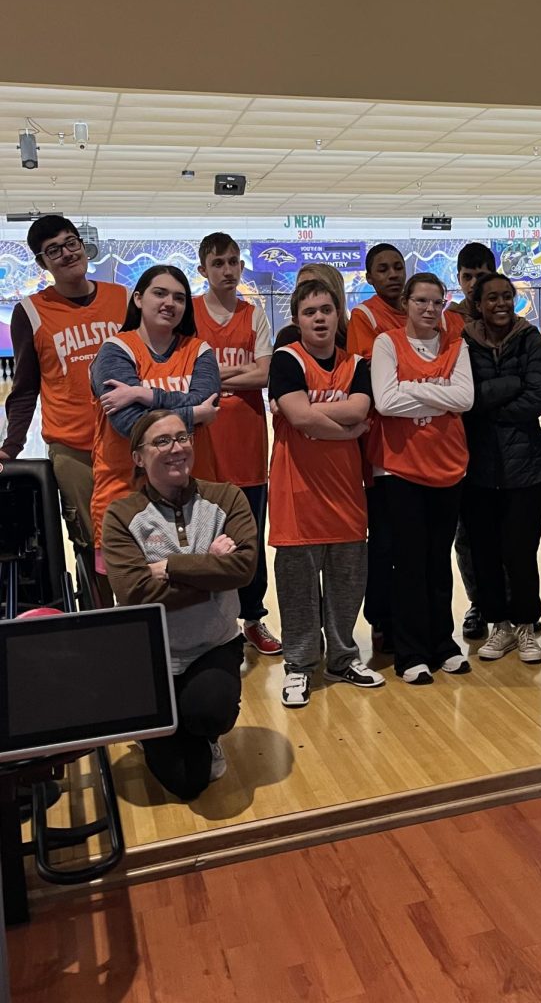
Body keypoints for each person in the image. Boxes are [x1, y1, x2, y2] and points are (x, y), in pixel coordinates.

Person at [102, 411, 257, 801]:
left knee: (208, 712)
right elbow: (134, 591)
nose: (176, 448)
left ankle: (203, 733)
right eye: (162, 441)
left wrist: (169, 567)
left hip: (212, 647)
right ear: (138, 457)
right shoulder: (122, 515)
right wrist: (210, 570)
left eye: (182, 437)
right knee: (187, 783)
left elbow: (243, 568)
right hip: (152, 655)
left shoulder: (226, 497)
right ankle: (158, 728)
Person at [268, 278, 385, 707]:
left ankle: (342, 658)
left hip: (345, 493)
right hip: (296, 493)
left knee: (345, 584)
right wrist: (348, 429)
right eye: (310, 311)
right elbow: (299, 418)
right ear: (297, 320)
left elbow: (352, 408)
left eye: (326, 310)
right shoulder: (286, 359)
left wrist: (315, 415)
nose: (319, 317)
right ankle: (299, 665)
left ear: (339, 316)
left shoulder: (356, 364)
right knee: (297, 588)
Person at [1, 216, 127, 605]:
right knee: (91, 545)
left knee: (144, 535)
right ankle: (104, 622)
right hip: (75, 451)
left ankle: (153, 618)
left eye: (71, 242)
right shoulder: (32, 312)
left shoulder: (122, 298)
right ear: (43, 263)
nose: (67, 253)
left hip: (128, 440)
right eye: (53, 250)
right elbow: (24, 387)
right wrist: (10, 446)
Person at [371, 272, 474, 685]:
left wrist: (411, 387)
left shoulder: (456, 344)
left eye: (436, 303)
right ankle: (410, 651)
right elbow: (385, 401)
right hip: (401, 470)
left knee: (438, 560)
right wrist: (439, 392)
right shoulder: (386, 343)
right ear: (406, 304)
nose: (429, 310)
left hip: (448, 467)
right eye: (421, 302)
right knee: (409, 562)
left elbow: (465, 398)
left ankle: (443, 644)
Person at [90, 265, 220, 555]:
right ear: (138, 299)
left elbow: (207, 399)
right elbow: (130, 425)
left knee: (200, 592)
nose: (170, 303)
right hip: (126, 494)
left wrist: (144, 394)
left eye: (179, 297)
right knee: (134, 597)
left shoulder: (200, 350)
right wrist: (193, 415)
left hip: (193, 496)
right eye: (159, 293)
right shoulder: (114, 350)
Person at [194, 233, 280, 657]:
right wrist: (234, 372)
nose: (228, 270)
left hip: (247, 445)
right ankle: (208, 620)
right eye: (218, 263)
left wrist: (210, 377)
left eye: (233, 262)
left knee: (248, 538)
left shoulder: (254, 315)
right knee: (201, 538)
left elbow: (264, 375)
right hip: (200, 445)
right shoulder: (190, 314)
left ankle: (253, 619)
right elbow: (183, 373)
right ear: (203, 270)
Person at [461, 273, 541, 664]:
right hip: (476, 466)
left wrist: (486, 407)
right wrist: (507, 385)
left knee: (520, 552)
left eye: (506, 297)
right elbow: (464, 398)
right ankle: (499, 624)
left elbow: (535, 399)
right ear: (477, 304)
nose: (500, 304)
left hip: (525, 466)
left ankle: (526, 626)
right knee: (484, 552)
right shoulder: (463, 342)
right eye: (491, 298)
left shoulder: (530, 338)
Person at [347, 243, 408, 655]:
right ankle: (381, 621)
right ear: (369, 278)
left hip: (422, 451)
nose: (392, 274)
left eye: (398, 267)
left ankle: (410, 618)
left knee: (412, 544)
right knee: (383, 543)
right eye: (383, 269)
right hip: (381, 451)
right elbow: (373, 372)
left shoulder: (423, 310)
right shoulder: (364, 316)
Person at [445, 241, 497, 642]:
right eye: (468, 276)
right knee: (467, 533)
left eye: (482, 275)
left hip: (501, 439)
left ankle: (512, 605)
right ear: (459, 279)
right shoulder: (447, 321)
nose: (474, 283)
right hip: (457, 440)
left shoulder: (508, 318)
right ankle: (480, 604)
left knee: (508, 529)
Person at [274, 262, 349, 351]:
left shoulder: (353, 332)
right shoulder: (289, 337)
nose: (306, 293)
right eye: (301, 288)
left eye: (315, 287)